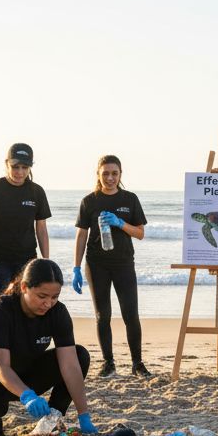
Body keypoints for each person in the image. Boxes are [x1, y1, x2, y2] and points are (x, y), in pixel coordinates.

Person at [0, 259, 96, 436]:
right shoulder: (0, 309)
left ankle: (53, 419)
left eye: (54, 297)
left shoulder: (58, 313)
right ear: (24, 287)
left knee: (80, 356)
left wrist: (83, 415)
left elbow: (70, 365)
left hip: (26, 370)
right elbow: (0, 366)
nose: (48, 303)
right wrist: (27, 395)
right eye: (42, 296)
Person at [72, 155, 151, 378]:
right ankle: (109, 363)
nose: (110, 177)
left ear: (120, 175)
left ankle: (137, 363)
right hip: (97, 264)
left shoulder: (130, 199)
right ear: (98, 174)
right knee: (102, 315)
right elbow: (81, 235)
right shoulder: (90, 201)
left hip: (124, 263)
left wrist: (120, 223)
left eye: (114, 173)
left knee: (130, 315)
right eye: (105, 173)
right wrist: (76, 267)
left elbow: (140, 233)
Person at [0, 143, 52, 292]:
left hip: (27, 258)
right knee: (1, 300)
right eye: (15, 167)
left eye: (25, 167)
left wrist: (46, 260)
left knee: (25, 301)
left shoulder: (37, 192)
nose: (20, 172)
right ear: (7, 164)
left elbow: (41, 229)